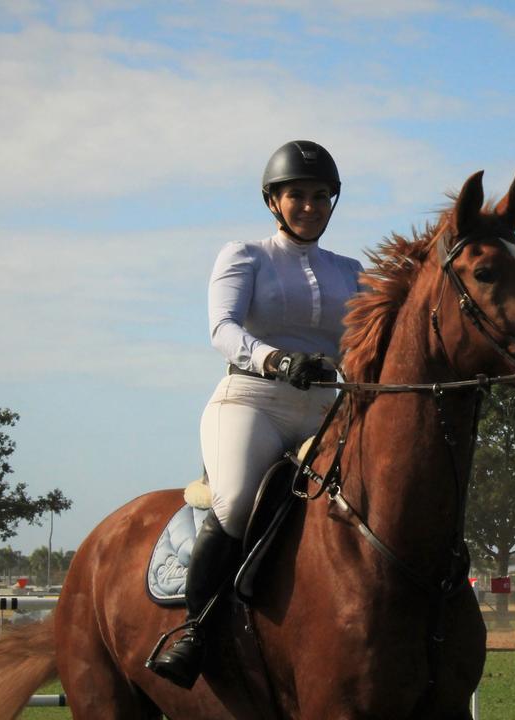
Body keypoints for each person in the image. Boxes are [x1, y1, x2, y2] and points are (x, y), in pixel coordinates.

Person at [149, 140, 362, 688]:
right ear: (273, 201)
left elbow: (361, 340)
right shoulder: (244, 254)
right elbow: (222, 329)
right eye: (298, 195)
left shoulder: (351, 270)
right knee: (238, 502)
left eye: (320, 196)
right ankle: (195, 631)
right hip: (251, 402)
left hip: (325, 410)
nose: (310, 206)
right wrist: (277, 358)